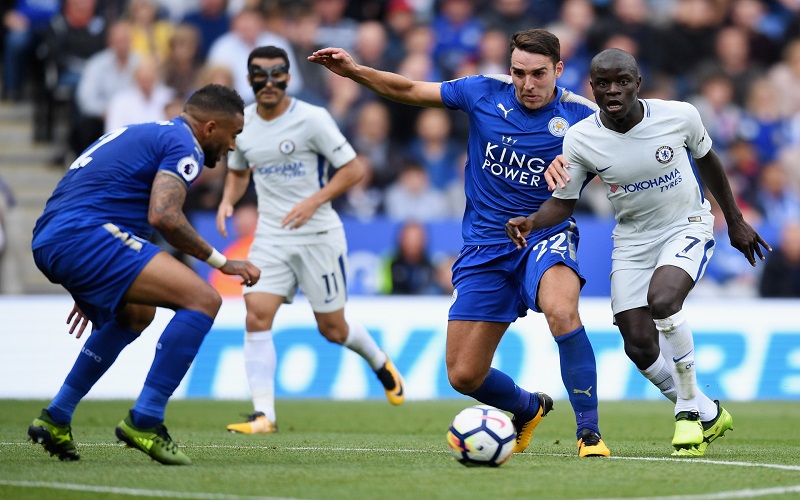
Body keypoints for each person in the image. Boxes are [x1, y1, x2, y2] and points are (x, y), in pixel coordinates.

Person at [309, 29, 611, 457]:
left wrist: (579, 164)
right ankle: (528, 408)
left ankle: (589, 434)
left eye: (539, 74)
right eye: (519, 73)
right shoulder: (482, 91)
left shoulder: (583, 116)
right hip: (485, 245)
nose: (527, 84)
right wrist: (355, 71)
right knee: (464, 375)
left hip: (545, 233)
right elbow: (409, 89)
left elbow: (623, 155)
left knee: (561, 310)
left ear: (558, 69)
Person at [506, 48, 771, 456]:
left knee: (663, 301)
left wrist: (734, 220)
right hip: (632, 240)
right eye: (603, 83)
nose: (613, 90)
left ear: (637, 84)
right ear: (592, 88)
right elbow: (564, 201)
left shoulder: (679, 116)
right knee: (639, 345)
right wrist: (532, 221)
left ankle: (687, 412)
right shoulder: (581, 138)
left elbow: (709, 161)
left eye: (622, 81)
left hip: (686, 224)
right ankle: (708, 412)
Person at [27, 84, 260, 465]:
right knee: (203, 299)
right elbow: (164, 216)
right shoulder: (184, 144)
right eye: (233, 134)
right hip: (84, 235)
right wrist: (222, 262)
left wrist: (86, 275)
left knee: (137, 313)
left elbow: (93, 193)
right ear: (210, 128)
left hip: (54, 238)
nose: (233, 145)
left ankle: (56, 416)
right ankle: (146, 420)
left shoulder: (144, 133)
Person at [216, 46, 406, 435]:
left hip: (318, 234)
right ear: (249, 79)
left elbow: (353, 170)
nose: (269, 82)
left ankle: (378, 359)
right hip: (271, 235)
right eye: (260, 75)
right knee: (256, 314)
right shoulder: (243, 123)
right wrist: (227, 200)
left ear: (288, 78)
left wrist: (313, 201)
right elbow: (238, 169)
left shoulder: (312, 118)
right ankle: (264, 415)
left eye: (277, 74)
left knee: (333, 329)